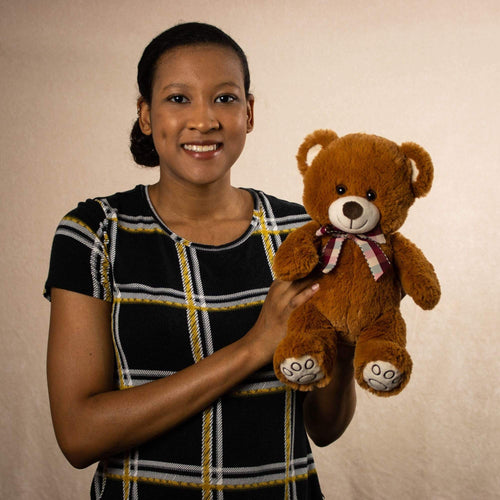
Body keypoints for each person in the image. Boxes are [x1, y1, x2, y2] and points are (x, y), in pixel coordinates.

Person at [45, 22, 356, 499]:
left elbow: (324, 427)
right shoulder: (95, 233)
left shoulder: (305, 235)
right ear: (145, 115)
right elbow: (78, 435)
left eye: (225, 98)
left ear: (249, 113)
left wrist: (350, 331)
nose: (204, 120)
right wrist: (255, 347)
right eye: (178, 98)